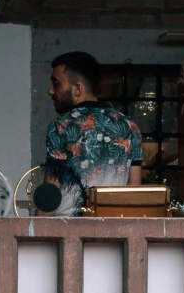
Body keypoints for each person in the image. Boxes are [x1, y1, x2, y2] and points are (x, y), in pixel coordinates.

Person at [42, 52, 143, 208]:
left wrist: (34, 229)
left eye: (56, 84)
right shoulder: (129, 127)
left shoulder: (61, 126)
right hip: (115, 228)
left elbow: (49, 198)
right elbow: (134, 195)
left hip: (67, 228)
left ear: (77, 89)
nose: (50, 91)